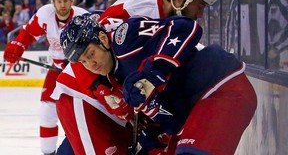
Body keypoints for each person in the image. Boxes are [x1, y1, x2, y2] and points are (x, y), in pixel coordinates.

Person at [53, 0, 218, 154]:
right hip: (84, 94)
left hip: (118, 105)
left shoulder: (171, 28)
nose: (200, 13)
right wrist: (102, 89)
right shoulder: (134, 7)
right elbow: (91, 46)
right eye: (199, 5)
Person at [60, 11, 257, 155]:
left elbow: (186, 27)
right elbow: (172, 121)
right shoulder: (114, 81)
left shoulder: (124, 38)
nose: (90, 64)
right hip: (196, 108)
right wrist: (151, 130)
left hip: (221, 87)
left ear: (102, 38)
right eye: (83, 62)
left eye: (90, 54)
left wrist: (156, 70)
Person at [3, 0, 88, 155]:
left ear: (72, 1)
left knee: (80, 115)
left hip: (81, 71)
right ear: (53, 2)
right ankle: (48, 153)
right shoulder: (45, 14)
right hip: (56, 69)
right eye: (59, 1)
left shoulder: (84, 17)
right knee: (46, 112)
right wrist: (17, 45)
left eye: (66, 1)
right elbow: (28, 33)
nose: (62, 5)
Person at [225, 0, 288, 70]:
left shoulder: (274, 2)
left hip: (269, 63)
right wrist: (228, 53)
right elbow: (230, 29)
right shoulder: (236, 2)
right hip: (243, 62)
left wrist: (276, 48)